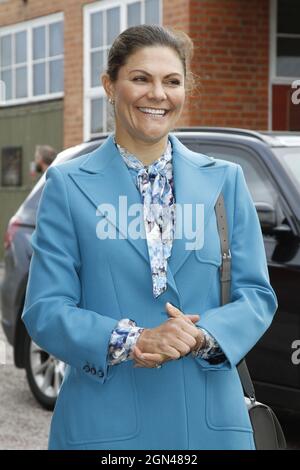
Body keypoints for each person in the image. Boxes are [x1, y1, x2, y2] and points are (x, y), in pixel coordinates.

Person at [22, 25, 278, 450]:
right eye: (141, 78)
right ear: (110, 85)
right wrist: (134, 339)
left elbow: (256, 295)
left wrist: (202, 335)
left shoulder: (226, 182)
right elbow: (46, 308)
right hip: (105, 428)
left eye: (172, 81)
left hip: (210, 425)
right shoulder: (67, 185)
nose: (157, 94)